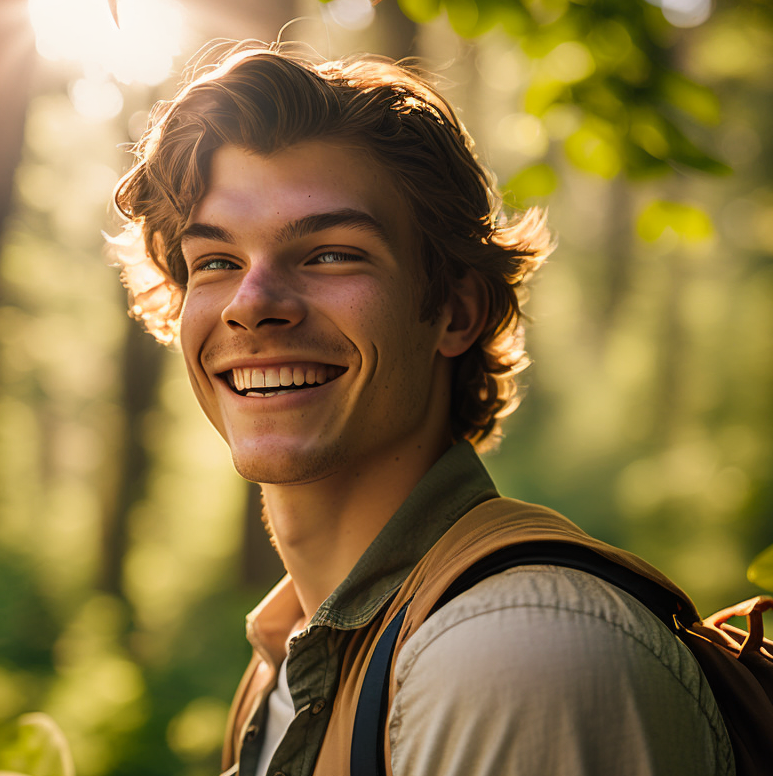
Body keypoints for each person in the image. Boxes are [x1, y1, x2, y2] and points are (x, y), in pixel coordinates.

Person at [111, 39, 734, 776]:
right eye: (215, 262)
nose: (252, 306)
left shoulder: (515, 654)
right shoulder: (284, 664)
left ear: (454, 312)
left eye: (330, 253)